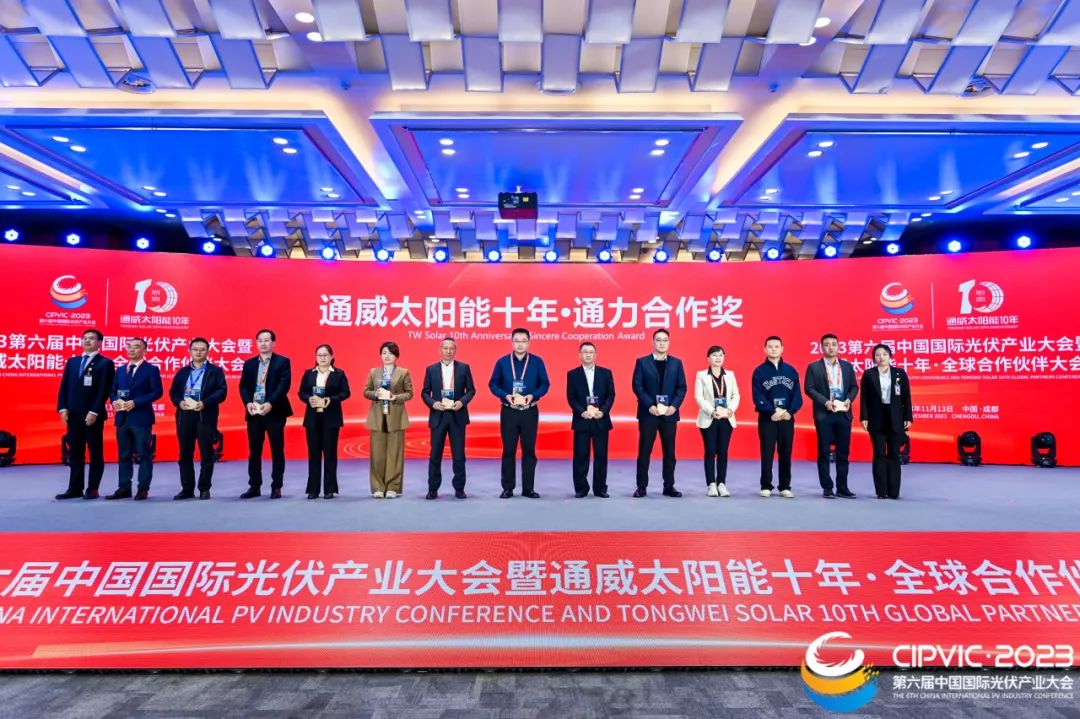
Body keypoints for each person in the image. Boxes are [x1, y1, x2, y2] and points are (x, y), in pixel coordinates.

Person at [488, 328, 550, 499]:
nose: (520, 344)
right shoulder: (502, 362)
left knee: (529, 450)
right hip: (509, 411)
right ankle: (508, 488)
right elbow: (493, 384)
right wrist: (505, 396)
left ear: (529, 342)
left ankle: (528, 489)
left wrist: (533, 395)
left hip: (530, 411)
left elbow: (545, 384)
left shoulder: (537, 362)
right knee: (509, 450)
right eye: (516, 341)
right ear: (512, 342)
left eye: (523, 341)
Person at [55, 329, 116, 500]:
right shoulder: (73, 362)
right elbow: (64, 386)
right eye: (85, 338)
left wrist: (94, 411)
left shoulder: (105, 363)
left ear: (100, 343)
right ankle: (75, 488)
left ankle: (93, 488)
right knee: (75, 453)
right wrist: (62, 408)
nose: (87, 341)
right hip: (73, 415)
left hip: (92, 416)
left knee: (95, 452)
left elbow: (104, 390)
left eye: (92, 338)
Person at [631, 329, 687, 498]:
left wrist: (674, 406)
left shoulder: (676, 363)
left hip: (669, 414)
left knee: (670, 453)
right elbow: (637, 386)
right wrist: (649, 405)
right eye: (658, 340)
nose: (662, 343)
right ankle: (641, 487)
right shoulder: (642, 362)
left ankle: (669, 486)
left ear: (669, 342)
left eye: (665, 340)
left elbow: (682, 387)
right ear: (653, 342)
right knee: (644, 451)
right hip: (649, 413)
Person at [169, 337, 227, 500]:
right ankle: (187, 489)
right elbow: (173, 392)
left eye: (202, 349)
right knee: (185, 454)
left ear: (207, 352)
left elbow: (222, 392)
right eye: (195, 349)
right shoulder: (182, 372)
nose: (198, 352)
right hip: (185, 416)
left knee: (206, 453)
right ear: (190, 351)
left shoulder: (215, 371)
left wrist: (205, 402)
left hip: (205, 415)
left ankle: (204, 488)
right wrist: (179, 402)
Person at [106, 338, 163, 500]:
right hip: (122, 418)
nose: (131, 349)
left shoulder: (151, 369)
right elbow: (112, 391)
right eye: (129, 346)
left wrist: (135, 402)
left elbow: (157, 392)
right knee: (123, 455)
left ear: (144, 351)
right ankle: (124, 488)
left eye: (136, 347)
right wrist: (114, 401)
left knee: (144, 455)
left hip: (141, 418)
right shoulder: (120, 370)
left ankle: (143, 489)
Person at [238, 329, 293, 499]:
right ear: (256, 343)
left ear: (273, 343)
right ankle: (254, 486)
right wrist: (247, 403)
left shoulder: (282, 362)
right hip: (254, 411)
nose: (263, 343)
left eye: (267, 340)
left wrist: (270, 403)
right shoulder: (249, 364)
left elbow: (284, 385)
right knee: (254, 450)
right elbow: (243, 386)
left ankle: (276, 486)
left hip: (274, 411)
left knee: (277, 449)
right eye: (260, 340)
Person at [804, 333, 859, 499]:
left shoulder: (847, 366)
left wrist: (849, 399)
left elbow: (854, 387)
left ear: (838, 346)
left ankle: (842, 487)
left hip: (843, 414)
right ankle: (827, 487)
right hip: (824, 414)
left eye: (834, 344)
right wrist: (825, 402)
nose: (831, 347)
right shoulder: (814, 367)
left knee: (843, 453)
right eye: (827, 344)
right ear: (821, 347)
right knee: (824, 452)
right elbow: (809, 388)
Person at [420, 337, 476, 500]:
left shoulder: (464, 368)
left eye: (452, 348)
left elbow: (471, 390)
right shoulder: (431, 369)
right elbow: (424, 392)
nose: (449, 351)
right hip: (438, 415)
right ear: (440, 349)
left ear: (455, 350)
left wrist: (462, 402)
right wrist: (433, 403)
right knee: (435, 455)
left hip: (457, 415)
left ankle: (459, 488)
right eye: (445, 348)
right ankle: (433, 489)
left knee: (459, 455)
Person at [751, 336, 802, 498]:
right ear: (765, 349)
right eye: (770, 346)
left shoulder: (791, 371)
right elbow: (757, 395)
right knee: (767, 452)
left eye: (777, 346)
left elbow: (797, 396)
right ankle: (766, 485)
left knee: (786, 452)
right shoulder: (759, 371)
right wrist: (771, 411)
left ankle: (785, 486)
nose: (773, 349)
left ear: (782, 349)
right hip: (768, 419)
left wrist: (790, 412)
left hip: (786, 418)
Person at [298, 344, 351, 499]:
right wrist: (309, 399)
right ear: (316, 357)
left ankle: (329, 489)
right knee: (313, 454)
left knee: (330, 454)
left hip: (331, 418)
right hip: (312, 418)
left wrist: (330, 399)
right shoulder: (309, 373)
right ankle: (313, 489)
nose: (322, 358)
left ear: (331, 356)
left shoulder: (339, 374)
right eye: (319, 355)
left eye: (325, 355)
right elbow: (301, 392)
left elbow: (346, 392)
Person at [860, 343, 913, 500]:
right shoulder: (869, 374)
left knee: (894, 454)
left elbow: (906, 397)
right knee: (879, 454)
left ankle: (894, 491)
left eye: (884, 354)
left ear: (890, 356)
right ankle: (881, 491)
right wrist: (864, 417)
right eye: (877, 355)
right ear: (873, 358)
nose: (881, 357)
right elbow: (864, 398)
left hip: (895, 417)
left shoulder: (899, 373)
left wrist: (908, 417)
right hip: (876, 418)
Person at [566, 342, 615, 498]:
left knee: (601, 456)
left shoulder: (606, 373)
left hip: (601, 420)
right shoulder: (573, 374)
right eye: (585, 352)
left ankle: (600, 489)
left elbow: (611, 395)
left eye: (591, 352)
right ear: (579, 355)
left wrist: (603, 411)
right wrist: (582, 412)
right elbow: (571, 397)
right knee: (581, 456)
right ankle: (581, 489)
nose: (588, 354)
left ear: (595, 354)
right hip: (582, 420)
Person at [363, 341, 412, 498]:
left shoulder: (403, 372)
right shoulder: (374, 372)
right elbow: (366, 391)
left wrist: (394, 397)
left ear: (396, 356)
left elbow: (409, 393)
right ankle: (378, 487)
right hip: (377, 417)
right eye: (384, 353)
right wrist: (376, 394)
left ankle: (392, 487)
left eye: (390, 353)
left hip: (396, 417)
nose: (387, 356)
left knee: (395, 454)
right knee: (377, 454)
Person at [694, 345, 739, 498]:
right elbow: (699, 397)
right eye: (714, 355)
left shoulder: (730, 375)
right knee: (710, 450)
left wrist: (729, 411)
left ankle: (721, 483)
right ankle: (711, 484)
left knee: (723, 451)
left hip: (726, 417)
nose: (718, 358)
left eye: (720, 355)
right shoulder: (701, 375)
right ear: (708, 358)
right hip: (709, 418)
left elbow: (736, 395)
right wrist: (712, 411)